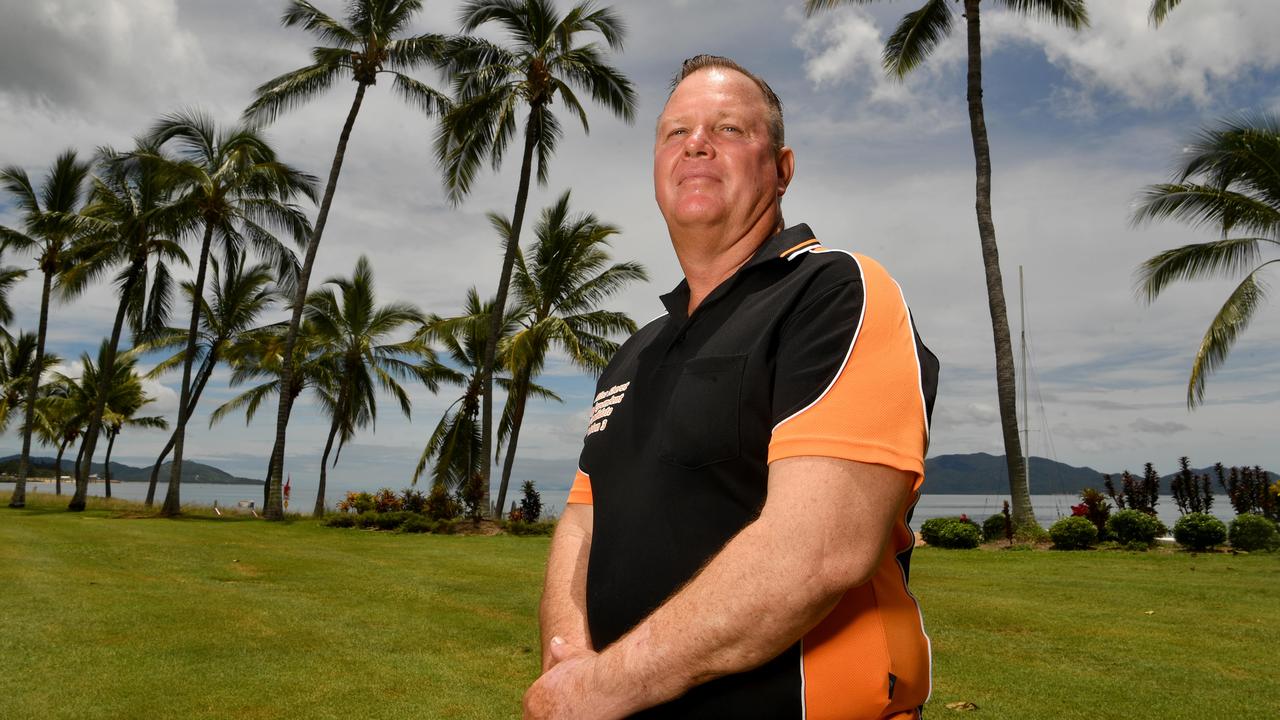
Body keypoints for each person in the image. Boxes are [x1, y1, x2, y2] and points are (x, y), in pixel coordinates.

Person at [525, 55, 940, 720]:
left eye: (730, 129)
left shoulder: (833, 292)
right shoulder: (637, 350)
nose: (696, 142)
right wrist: (570, 651)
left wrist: (599, 689)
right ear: (657, 171)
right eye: (675, 132)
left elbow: (818, 551)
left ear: (781, 169)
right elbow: (582, 519)